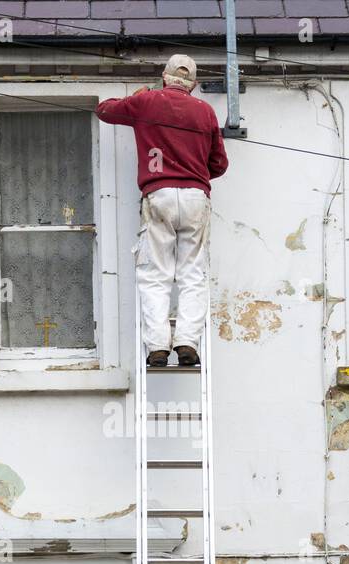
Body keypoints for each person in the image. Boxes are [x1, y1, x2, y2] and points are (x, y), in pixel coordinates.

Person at [96, 54, 229, 367]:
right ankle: (187, 342)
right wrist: (193, 171)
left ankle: (157, 345)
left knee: (155, 274)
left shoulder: (147, 102)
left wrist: (137, 97)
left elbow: (105, 110)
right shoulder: (206, 111)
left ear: (165, 77)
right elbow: (220, 164)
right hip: (196, 197)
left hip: (158, 194)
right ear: (193, 84)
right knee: (192, 274)